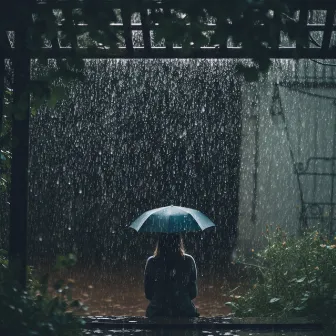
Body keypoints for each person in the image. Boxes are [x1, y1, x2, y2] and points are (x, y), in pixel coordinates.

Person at [144, 233, 200, 318]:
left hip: (157, 313)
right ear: (179, 242)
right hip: (184, 312)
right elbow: (193, 293)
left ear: (160, 242)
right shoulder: (188, 261)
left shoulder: (152, 262)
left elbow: (148, 293)